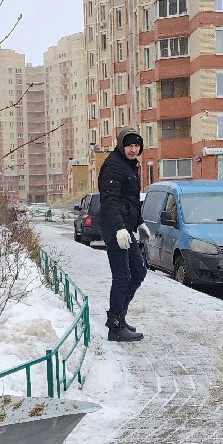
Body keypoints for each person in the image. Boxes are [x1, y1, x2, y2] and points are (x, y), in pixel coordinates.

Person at [97, 130, 147, 342]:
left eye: (137, 146)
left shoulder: (130, 166)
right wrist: (118, 228)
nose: (133, 149)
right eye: (129, 146)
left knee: (138, 271)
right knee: (122, 275)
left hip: (126, 228)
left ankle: (120, 317)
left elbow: (131, 200)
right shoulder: (113, 165)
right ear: (121, 146)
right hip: (115, 228)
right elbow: (110, 200)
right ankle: (115, 327)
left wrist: (140, 222)